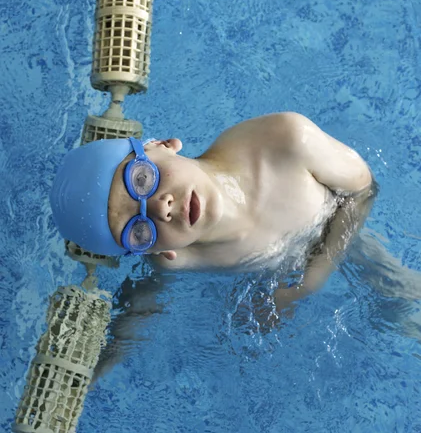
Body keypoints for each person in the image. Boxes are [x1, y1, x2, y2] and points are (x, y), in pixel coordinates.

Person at [50, 112, 375, 311]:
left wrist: (306, 285)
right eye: (138, 230)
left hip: (344, 227)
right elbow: (141, 304)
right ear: (158, 249)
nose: (160, 208)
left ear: (163, 145)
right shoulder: (173, 261)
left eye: (142, 179)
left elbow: (362, 191)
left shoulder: (286, 141)